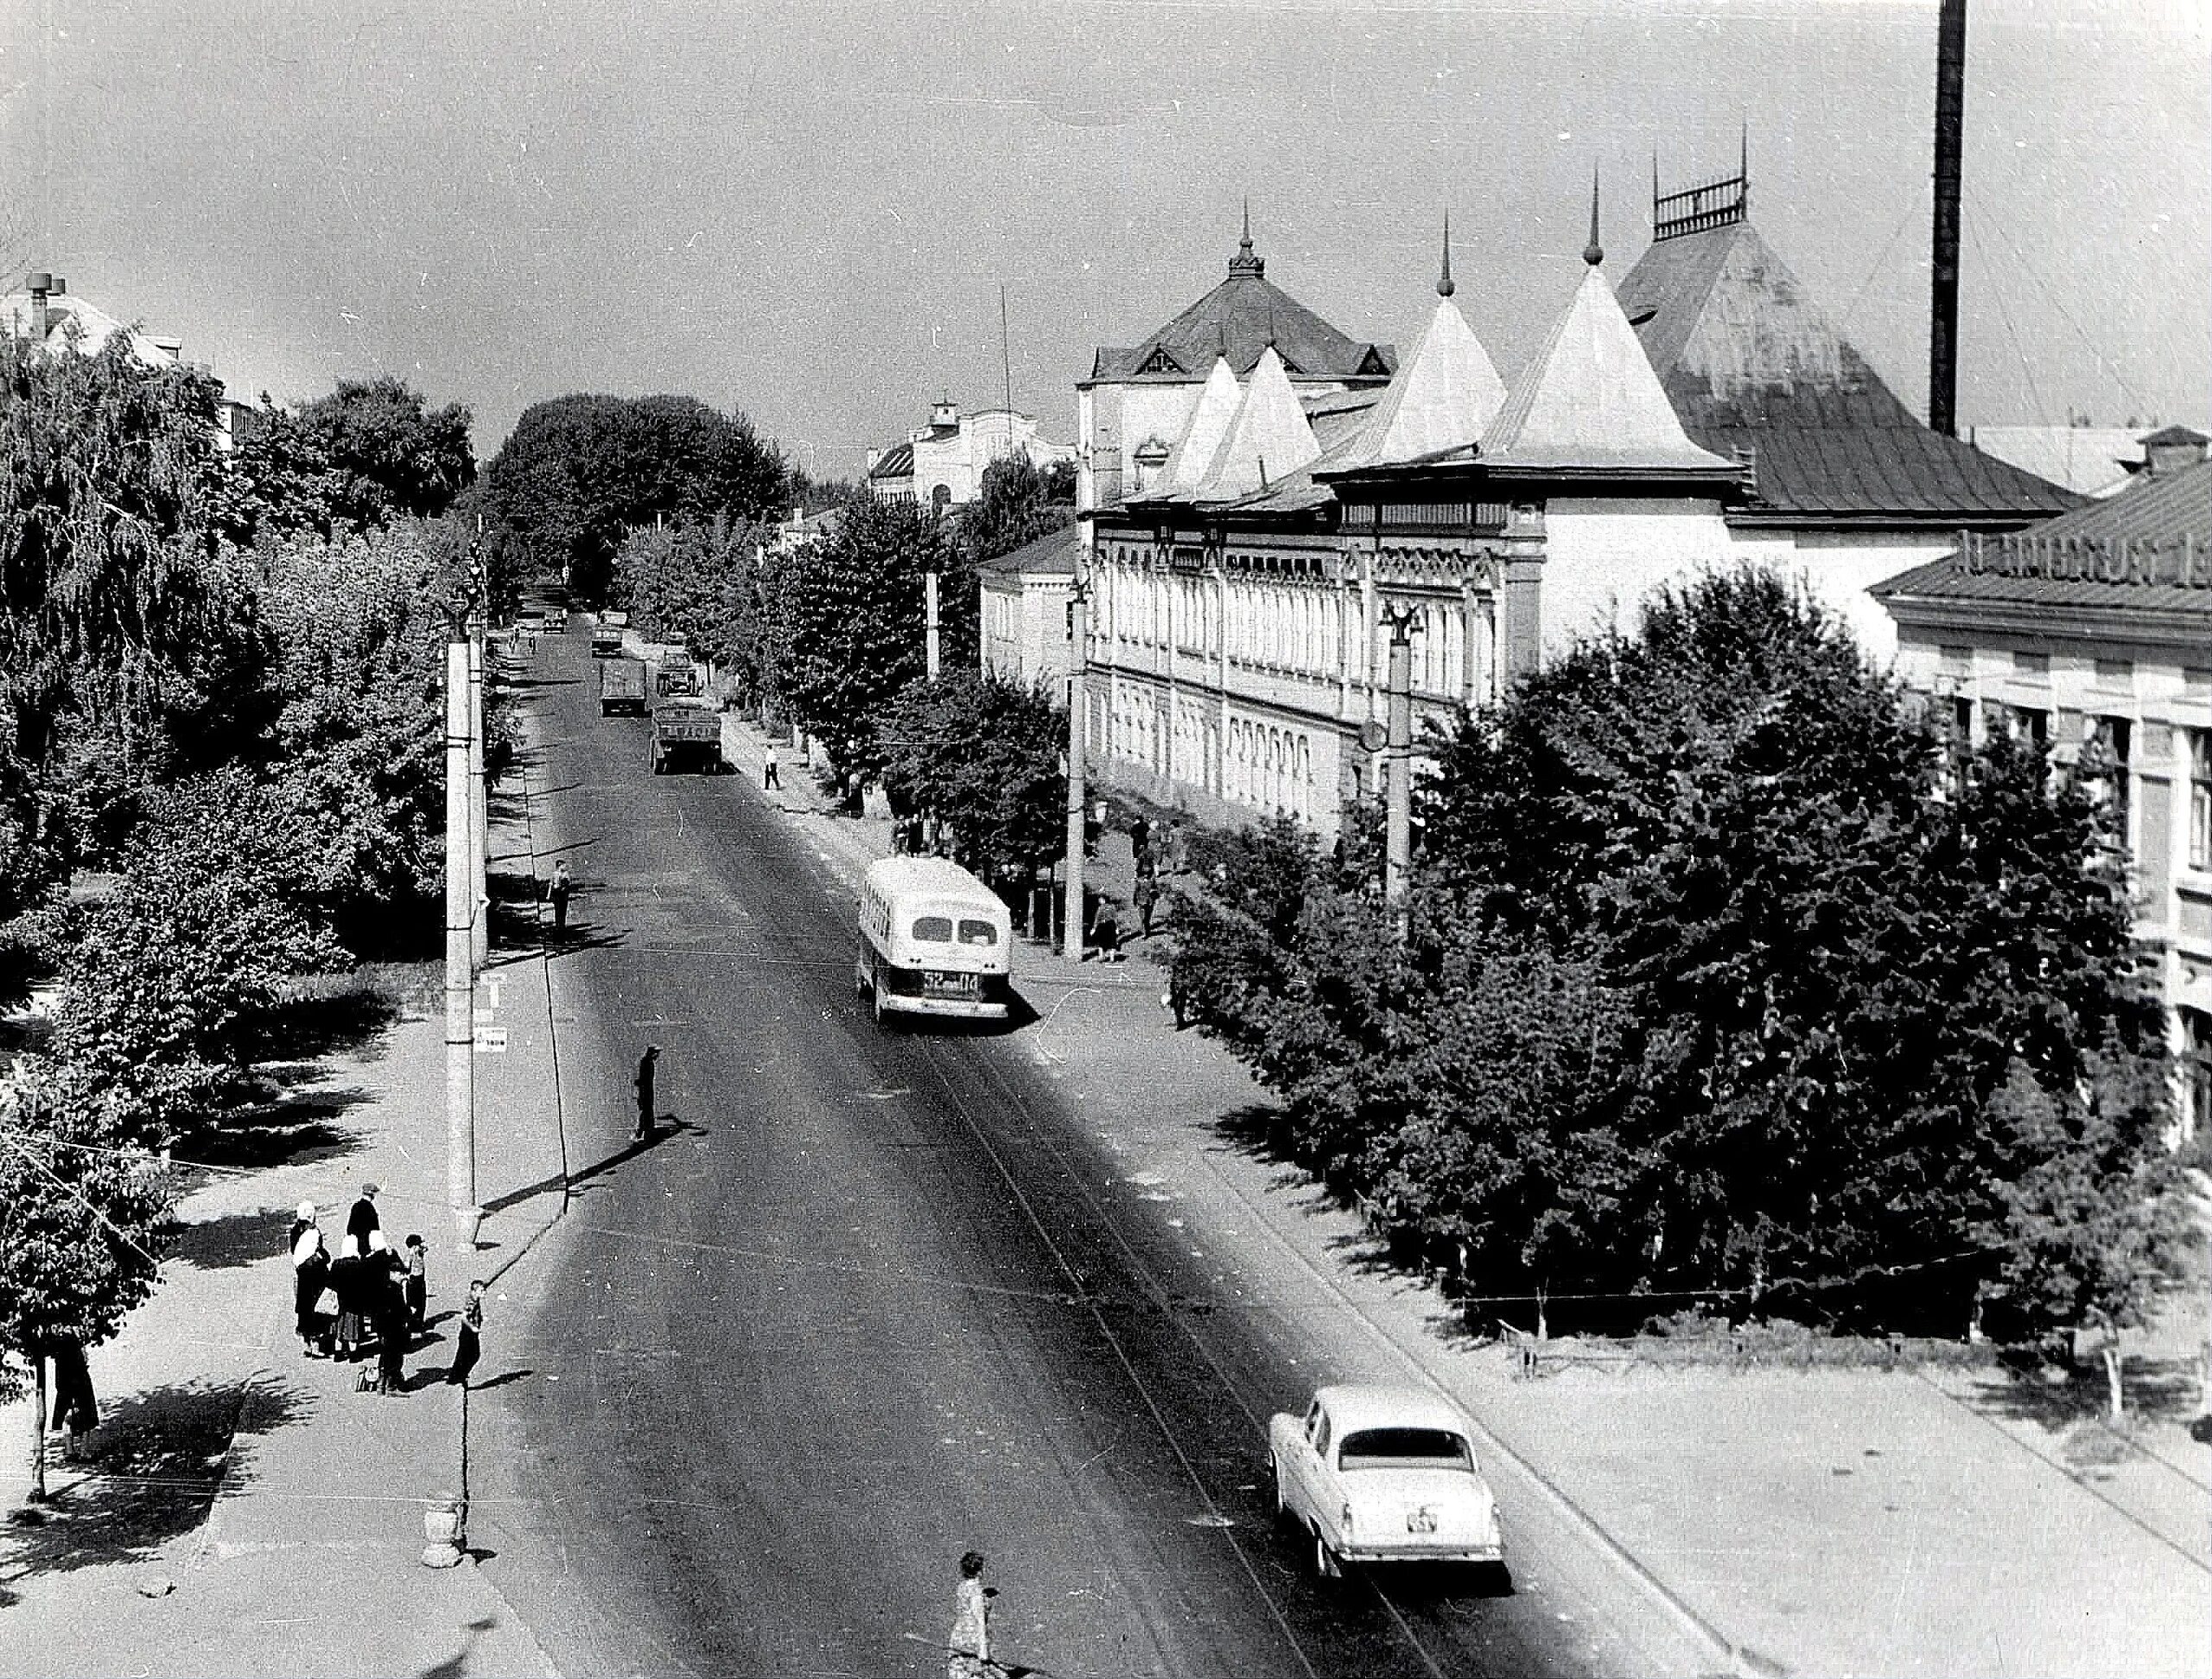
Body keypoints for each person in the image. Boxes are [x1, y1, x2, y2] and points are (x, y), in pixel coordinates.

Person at [48, 1340, 98, 1462]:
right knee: (86, 1419)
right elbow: (78, 1376)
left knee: (67, 1419)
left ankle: (70, 1451)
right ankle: (83, 1452)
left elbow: (58, 1381)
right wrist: (75, 1400)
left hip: (65, 1392)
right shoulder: (75, 1358)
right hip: (79, 1392)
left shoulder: (60, 1357)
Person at [290, 1204, 329, 1355]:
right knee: (316, 1308)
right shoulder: (313, 1232)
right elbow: (319, 1251)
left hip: (301, 1274)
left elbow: (295, 1251)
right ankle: (316, 1346)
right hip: (315, 1276)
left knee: (304, 1308)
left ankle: (306, 1344)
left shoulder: (295, 1231)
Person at [948, 1551, 993, 1679]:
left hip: (958, 1636)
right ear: (980, 1572)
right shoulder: (976, 1593)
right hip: (972, 1641)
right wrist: (983, 1651)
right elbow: (979, 1621)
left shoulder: (962, 1587)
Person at [329, 1234, 366, 1361]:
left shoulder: (336, 1264)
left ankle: (338, 1353)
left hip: (339, 1304)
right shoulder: (358, 1264)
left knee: (339, 1330)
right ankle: (353, 1354)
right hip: (354, 1304)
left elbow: (330, 1283)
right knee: (352, 1330)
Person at [446, 1280, 486, 1388]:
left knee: (467, 1355)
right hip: (468, 1334)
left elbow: (473, 1315)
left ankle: (458, 1377)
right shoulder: (471, 1302)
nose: (484, 1293)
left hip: (471, 1333)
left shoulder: (475, 1300)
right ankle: (456, 1378)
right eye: (481, 1291)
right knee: (470, 1355)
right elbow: (464, 1317)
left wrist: (481, 1318)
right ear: (474, 1291)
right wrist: (472, 1327)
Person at [403, 1233, 429, 1335]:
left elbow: (426, 1248)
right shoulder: (410, 1255)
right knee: (413, 1303)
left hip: (420, 1280)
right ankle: (413, 1324)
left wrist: (421, 1241)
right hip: (414, 1280)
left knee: (421, 1302)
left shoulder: (420, 1252)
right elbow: (405, 1267)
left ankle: (419, 1323)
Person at [345, 1181, 381, 1255]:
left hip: (355, 1246)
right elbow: (375, 1230)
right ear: (371, 1194)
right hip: (367, 1246)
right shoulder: (370, 1209)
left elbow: (349, 1229)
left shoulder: (355, 1206)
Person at [634, 1045, 659, 1142]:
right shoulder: (647, 1063)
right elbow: (644, 1079)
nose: (657, 1056)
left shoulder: (647, 1062)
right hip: (645, 1092)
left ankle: (642, 1133)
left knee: (646, 1112)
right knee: (647, 1112)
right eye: (656, 1053)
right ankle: (645, 1134)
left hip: (646, 1091)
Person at [549, 860, 573, 932]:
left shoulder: (566, 874)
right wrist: (549, 895)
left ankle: (562, 925)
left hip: (563, 894)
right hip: (557, 893)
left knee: (563, 909)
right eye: (563, 865)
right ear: (559, 866)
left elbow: (569, 884)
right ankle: (558, 925)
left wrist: (565, 887)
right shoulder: (554, 874)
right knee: (557, 909)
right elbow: (551, 884)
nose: (565, 866)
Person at [1133, 874, 1158, 940]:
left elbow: (1155, 891)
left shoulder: (1151, 881)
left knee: (1146, 919)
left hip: (1148, 903)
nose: (1145, 875)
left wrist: (1151, 899)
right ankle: (1144, 931)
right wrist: (1135, 900)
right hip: (1140, 902)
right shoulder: (1139, 881)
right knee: (1142, 918)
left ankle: (1146, 933)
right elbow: (1136, 891)